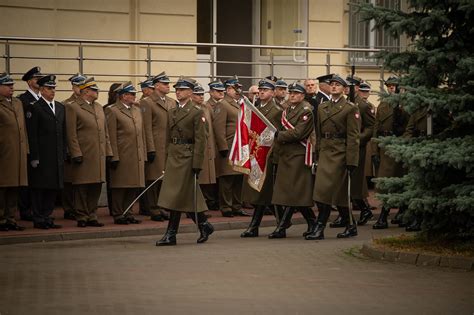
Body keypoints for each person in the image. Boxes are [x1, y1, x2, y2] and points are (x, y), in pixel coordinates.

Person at [156, 77, 213, 246]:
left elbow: (201, 140)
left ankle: (171, 234)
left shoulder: (196, 112)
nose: (178, 92)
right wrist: (167, 158)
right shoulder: (172, 111)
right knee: (185, 196)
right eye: (177, 89)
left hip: (187, 157)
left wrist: (197, 164)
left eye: (181, 89)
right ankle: (204, 225)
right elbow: (168, 138)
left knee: (176, 197)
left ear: (190, 92)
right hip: (174, 156)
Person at [307, 74, 360, 240]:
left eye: (338, 84)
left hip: (340, 153)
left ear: (344, 89)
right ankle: (350, 225)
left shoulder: (350, 108)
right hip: (325, 152)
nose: (334, 87)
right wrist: (318, 153)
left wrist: (351, 160)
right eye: (332, 84)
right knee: (325, 191)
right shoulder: (323, 108)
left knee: (332, 191)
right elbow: (319, 133)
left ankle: (320, 226)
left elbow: (353, 136)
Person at [268, 81, 317, 239]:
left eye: (296, 93)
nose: (292, 95)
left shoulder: (306, 111)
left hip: (298, 155)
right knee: (293, 193)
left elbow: (299, 133)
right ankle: (312, 222)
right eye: (291, 93)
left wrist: (278, 136)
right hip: (286, 155)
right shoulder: (287, 110)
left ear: (302, 95)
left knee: (293, 193)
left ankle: (282, 227)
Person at [240, 78, 285, 237]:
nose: (261, 92)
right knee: (260, 193)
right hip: (257, 155)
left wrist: (276, 157)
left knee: (265, 193)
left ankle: (259, 226)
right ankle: (281, 222)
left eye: (265, 90)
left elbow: (279, 135)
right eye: (260, 90)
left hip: (269, 155)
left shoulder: (277, 110)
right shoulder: (256, 108)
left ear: (273, 93)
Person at [66, 77, 112, 227]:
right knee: (82, 186)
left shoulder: (98, 107)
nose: (97, 92)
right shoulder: (73, 107)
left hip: (98, 154)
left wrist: (108, 151)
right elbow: (71, 133)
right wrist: (76, 153)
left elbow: (105, 132)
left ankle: (92, 215)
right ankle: (81, 216)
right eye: (94, 90)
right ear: (85, 91)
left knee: (96, 186)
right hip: (84, 154)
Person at [25, 75, 66, 229]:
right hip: (42, 156)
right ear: (41, 90)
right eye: (49, 88)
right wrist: (34, 156)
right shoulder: (34, 107)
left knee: (53, 187)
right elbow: (32, 134)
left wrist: (64, 152)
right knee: (40, 188)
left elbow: (63, 133)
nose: (52, 91)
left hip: (56, 156)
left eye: (53, 88)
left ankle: (47, 216)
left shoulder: (60, 107)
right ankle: (38, 217)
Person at [371, 76, 410, 230]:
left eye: (394, 86)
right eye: (389, 86)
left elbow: (409, 127)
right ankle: (391, 214)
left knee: (397, 182)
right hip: (385, 146)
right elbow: (376, 127)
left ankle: (390, 215)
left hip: (398, 147)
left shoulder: (406, 104)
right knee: (385, 183)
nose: (391, 88)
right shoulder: (383, 104)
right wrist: (375, 150)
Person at [105, 82, 145, 225]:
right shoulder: (113, 110)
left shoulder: (136, 110)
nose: (134, 96)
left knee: (133, 185)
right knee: (120, 186)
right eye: (132, 94)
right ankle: (118, 213)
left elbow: (142, 134)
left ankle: (128, 212)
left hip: (136, 155)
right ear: (123, 96)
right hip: (122, 154)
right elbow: (110, 135)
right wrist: (113, 155)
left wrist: (144, 154)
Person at [140, 71, 175, 222]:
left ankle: (161, 207)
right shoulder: (147, 102)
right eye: (165, 84)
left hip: (169, 146)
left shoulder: (171, 102)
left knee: (165, 179)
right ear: (156, 86)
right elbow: (146, 127)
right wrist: (150, 148)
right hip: (156, 145)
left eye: (168, 84)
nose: (168, 86)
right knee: (154, 178)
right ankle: (153, 208)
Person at [213, 76, 249, 217]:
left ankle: (237, 205)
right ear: (228, 89)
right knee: (227, 178)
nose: (239, 91)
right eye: (236, 88)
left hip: (240, 146)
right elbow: (218, 127)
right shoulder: (223, 104)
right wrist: (222, 147)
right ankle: (226, 207)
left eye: (239, 88)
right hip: (228, 146)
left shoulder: (240, 103)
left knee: (238, 177)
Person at [0, 73, 28, 231]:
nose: (11, 87)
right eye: (7, 85)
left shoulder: (17, 102)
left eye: (12, 85)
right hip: (4, 153)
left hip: (18, 152)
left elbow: (22, 128)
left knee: (15, 187)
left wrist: (26, 149)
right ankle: (1, 219)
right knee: (3, 187)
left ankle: (10, 218)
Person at [17, 66, 43, 221]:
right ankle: (25, 210)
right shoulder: (23, 100)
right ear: (28, 82)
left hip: (42, 145)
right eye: (35, 79)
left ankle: (37, 209)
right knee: (28, 180)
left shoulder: (43, 99)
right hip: (29, 144)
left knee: (39, 180)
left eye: (39, 78)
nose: (38, 81)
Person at [350, 81, 376, 226]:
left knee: (355, 181)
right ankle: (346, 214)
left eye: (350, 86)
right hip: (344, 147)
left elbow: (371, 127)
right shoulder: (346, 103)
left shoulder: (364, 105)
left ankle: (364, 209)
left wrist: (357, 139)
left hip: (358, 147)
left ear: (356, 88)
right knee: (344, 182)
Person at [62, 73, 86, 221]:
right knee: (69, 180)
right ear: (73, 87)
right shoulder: (66, 104)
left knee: (81, 181)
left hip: (86, 149)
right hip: (71, 148)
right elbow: (67, 130)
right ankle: (68, 208)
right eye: (77, 85)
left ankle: (79, 208)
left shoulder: (88, 104)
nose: (80, 88)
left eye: (82, 85)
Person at [192, 84, 218, 212]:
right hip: (196, 148)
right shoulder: (191, 108)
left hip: (207, 147)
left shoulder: (206, 108)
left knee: (206, 180)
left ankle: (205, 205)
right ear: (191, 95)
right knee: (197, 179)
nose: (201, 97)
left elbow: (211, 127)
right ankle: (196, 207)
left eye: (202, 94)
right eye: (197, 94)